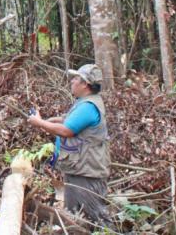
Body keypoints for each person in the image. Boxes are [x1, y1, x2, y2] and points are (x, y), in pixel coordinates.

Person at [28, 63, 112, 228]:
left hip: (86, 173)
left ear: (85, 84)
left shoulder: (88, 106)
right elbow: (68, 120)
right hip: (79, 168)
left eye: (76, 79)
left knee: (96, 219)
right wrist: (46, 121)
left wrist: (39, 123)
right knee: (75, 217)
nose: (72, 81)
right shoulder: (84, 102)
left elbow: (66, 130)